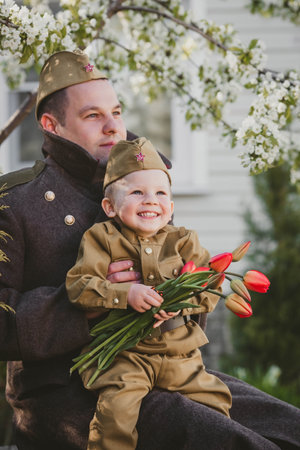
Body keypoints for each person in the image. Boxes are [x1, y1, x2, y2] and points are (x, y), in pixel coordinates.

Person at [0, 50, 299, 450]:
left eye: (117, 112)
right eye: (93, 116)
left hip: (169, 366)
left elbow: (191, 285)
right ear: (52, 126)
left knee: (288, 424)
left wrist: (184, 298)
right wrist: (86, 306)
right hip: (62, 391)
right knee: (225, 439)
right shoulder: (16, 200)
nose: (113, 128)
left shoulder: (146, 184)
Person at [66, 137, 232, 449]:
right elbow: (78, 285)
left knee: (215, 404)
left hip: (179, 354)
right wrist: (124, 294)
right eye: (137, 192)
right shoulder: (101, 238)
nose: (150, 200)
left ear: (170, 208)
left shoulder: (183, 241)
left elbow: (210, 285)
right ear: (110, 206)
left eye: (160, 193)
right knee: (116, 411)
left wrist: (181, 304)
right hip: (125, 355)